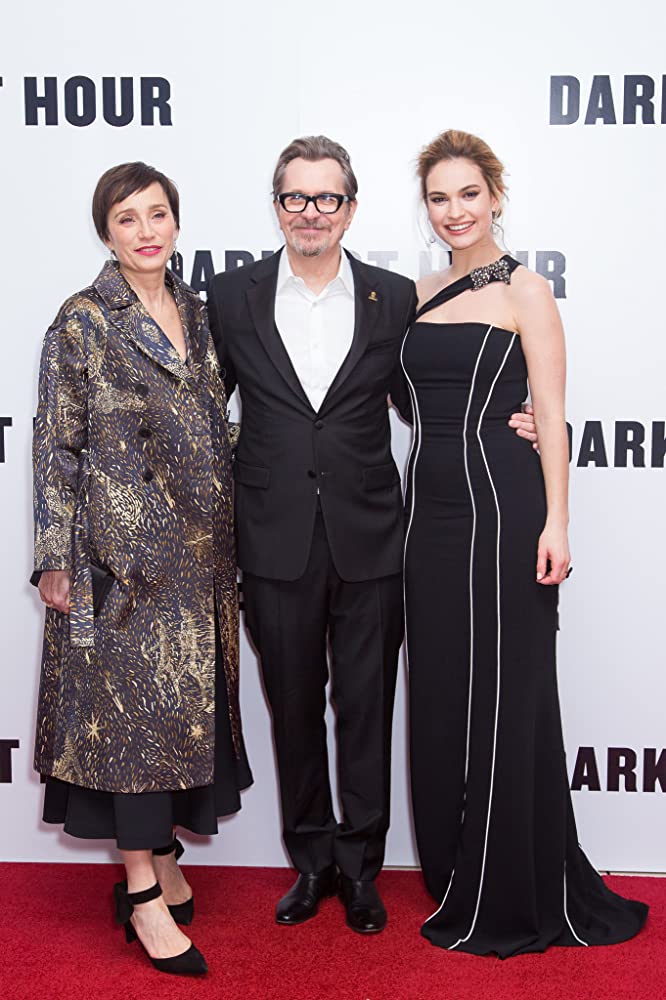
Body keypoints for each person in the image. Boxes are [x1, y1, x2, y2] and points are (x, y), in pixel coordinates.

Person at [206, 135, 536, 934]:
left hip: (374, 536)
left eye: (327, 198)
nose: (311, 212)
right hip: (273, 536)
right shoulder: (228, 297)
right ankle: (310, 862)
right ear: (277, 206)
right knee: (292, 709)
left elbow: (430, 396)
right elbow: (201, 410)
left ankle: (361, 869)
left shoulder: (395, 298)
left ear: (350, 208)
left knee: (366, 709)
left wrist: (518, 419)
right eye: (296, 197)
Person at [402, 129, 648, 956]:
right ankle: (454, 866)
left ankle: (511, 884)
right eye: (440, 197)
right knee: (442, 693)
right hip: (427, 519)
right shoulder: (416, 292)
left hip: (506, 512)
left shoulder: (527, 291)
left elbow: (551, 415)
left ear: (496, 196)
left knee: (509, 691)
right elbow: (406, 399)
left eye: (469, 194)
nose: (455, 211)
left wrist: (558, 522)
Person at [33, 162, 252, 975]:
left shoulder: (198, 312)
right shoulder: (83, 320)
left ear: (177, 222)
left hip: (198, 559)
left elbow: (215, 424)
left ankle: (162, 853)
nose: (146, 231)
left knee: (178, 721)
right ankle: (142, 896)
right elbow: (56, 446)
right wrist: (54, 559)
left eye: (157, 214)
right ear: (106, 233)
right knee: (126, 727)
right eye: (127, 218)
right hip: (116, 563)